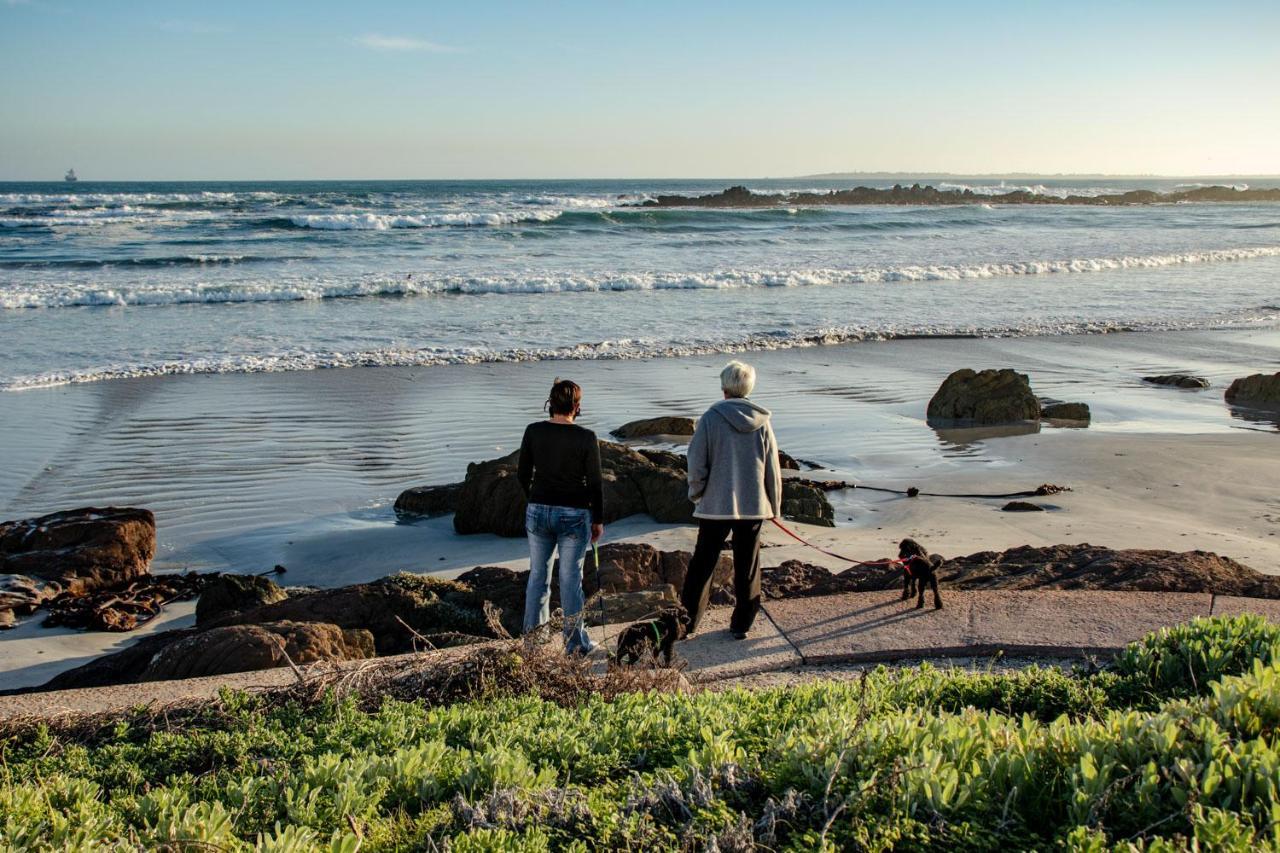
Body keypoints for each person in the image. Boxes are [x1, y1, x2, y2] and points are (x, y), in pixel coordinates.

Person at [680, 360, 782, 639]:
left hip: (715, 505)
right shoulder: (763, 422)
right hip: (752, 505)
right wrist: (774, 504)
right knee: (748, 565)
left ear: (724, 388)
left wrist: (696, 492)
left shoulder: (710, 419)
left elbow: (696, 461)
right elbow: (773, 466)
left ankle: (687, 623)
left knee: (703, 563)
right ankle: (742, 624)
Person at [518, 378, 604, 655]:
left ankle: (532, 646)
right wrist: (598, 520)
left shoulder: (533, 431)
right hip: (574, 513)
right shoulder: (586, 437)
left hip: (538, 510)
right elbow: (595, 483)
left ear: (550, 404)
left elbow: (522, 474)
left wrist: (534, 497)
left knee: (538, 577)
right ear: (576, 406)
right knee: (569, 579)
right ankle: (575, 645)